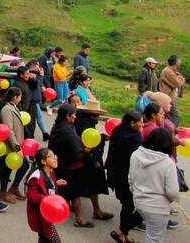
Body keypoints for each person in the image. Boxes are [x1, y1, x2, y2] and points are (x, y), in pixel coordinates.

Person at [129, 128, 179, 243]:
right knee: (154, 238)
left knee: (151, 236)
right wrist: (171, 200)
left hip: (139, 202)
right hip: (158, 208)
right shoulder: (168, 163)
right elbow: (172, 192)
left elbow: (131, 179)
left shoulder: (136, 155)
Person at [48, 104, 94, 227]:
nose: (75, 116)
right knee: (75, 193)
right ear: (67, 116)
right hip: (71, 166)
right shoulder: (67, 130)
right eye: (73, 114)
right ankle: (79, 218)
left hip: (60, 163)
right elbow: (76, 151)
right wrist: (85, 152)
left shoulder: (58, 126)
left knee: (63, 190)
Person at [105, 110, 144, 243]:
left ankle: (124, 233)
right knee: (130, 205)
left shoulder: (118, 130)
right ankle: (121, 232)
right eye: (141, 123)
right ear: (133, 123)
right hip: (127, 176)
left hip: (115, 173)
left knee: (126, 205)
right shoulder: (134, 137)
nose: (142, 125)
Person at [74, 100, 114, 222]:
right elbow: (87, 146)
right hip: (86, 160)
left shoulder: (84, 122)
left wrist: (101, 137)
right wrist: (94, 160)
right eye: (96, 115)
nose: (98, 118)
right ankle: (94, 212)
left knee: (87, 185)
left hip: (85, 159)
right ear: (90, 115)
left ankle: (95, 210)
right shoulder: (84, 126)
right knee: (90, 185)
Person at [26, 148, 68, 243]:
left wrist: (56, 183)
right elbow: (32, 195)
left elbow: (47, 186)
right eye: (51, 157)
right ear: (43, 161)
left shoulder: (50, 173)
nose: (55, 158)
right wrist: (48, 200)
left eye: (55, 156)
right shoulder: (36, 177)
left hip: (47, 217)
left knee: (44, 239)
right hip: (42, 218)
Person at [0, 87, 30, 204]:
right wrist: (17, 147)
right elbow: (9, 130)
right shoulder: (7, 110)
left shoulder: (14, 107)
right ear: (15, 97)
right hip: (10, 146)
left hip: (17, 144)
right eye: (20, 96)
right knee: (8, 169)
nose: (21, 98)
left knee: (24, 165)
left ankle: (14, 187)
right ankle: (3, 191)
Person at [157, 55, 185, 126]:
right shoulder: (168, 71)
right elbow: (177, 83)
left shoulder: (171, 71)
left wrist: (179, 78)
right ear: (176, 62)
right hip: (167, 97)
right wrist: (182, 80)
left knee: (167, 116)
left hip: (169, 96)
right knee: (176, 115)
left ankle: (168, 130)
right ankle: (172, 131)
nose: (180, 62)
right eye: (179, 60)